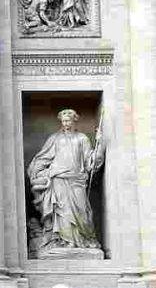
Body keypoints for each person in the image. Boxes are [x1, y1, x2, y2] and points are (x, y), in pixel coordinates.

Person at [27, 108, 104, 252]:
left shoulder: (82, 138)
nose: (66, 123)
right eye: (63, 121)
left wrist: (99, 145)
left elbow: (91, 162)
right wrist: (37, 171)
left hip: (77, 180)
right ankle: (63, 241)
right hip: (58, 179)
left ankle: (82, 240)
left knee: (82, 212)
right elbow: (42, 158)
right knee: (62, 213)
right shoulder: (55, 138)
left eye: (68, 120)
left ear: (74, 120)